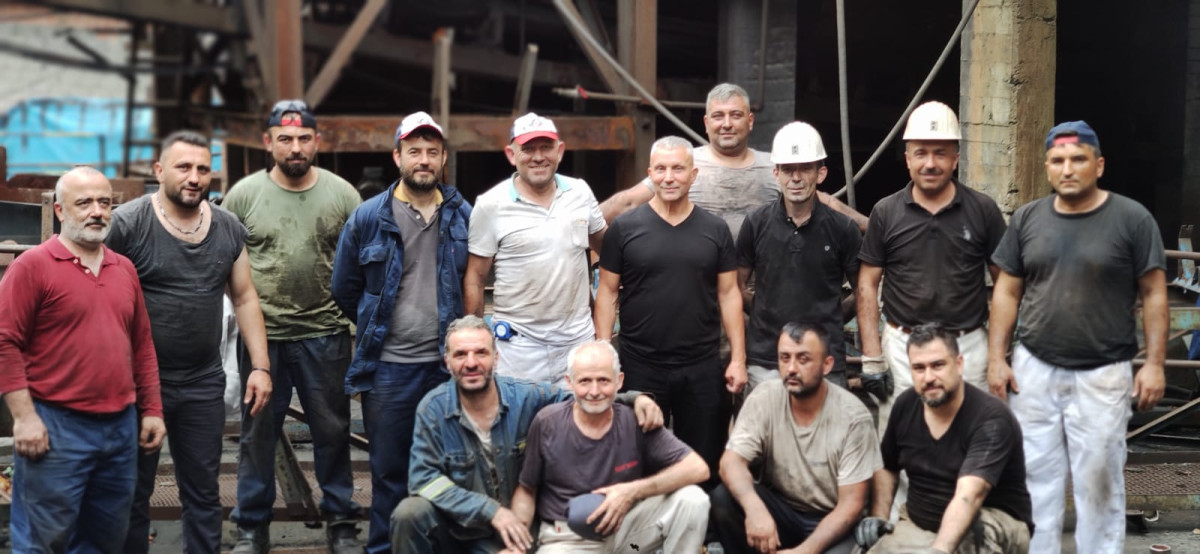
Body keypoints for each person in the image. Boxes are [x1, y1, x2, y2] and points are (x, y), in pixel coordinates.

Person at [987, 121, 1167, 553]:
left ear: (1099, 165)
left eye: (1078, 159)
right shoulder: (1028, 218)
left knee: (1099, 480)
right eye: (1058, 160)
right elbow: (1006, 291)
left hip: (1103, 372)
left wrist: (1155, 364)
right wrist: (997, 358)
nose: (1067, 169)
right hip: (1034, 369)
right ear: (1047, 167)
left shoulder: (1132, 219)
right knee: (1034, 477)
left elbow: (1154, 293)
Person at [109, 131, 273, 554]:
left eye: (203, 168)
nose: (195, 177)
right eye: (183, 167)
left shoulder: (227, 227)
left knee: (203, 494)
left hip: (202, 382)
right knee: (132, 492)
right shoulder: (127, 224)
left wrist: (260, 366)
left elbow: (245, 297)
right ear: (159, 170)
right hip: (139, 385)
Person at [391, 316, 663, 554]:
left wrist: (634, 398)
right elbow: (423, 479)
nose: (471, 362)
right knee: (409, 513)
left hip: (519, 529)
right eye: (461, 354)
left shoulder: (527, 398)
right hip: (457, 531)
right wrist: (490, 511)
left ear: (496, 358)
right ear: (447, 361)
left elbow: (583, 398)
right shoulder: (433, 409)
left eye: (481, 353)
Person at [223, 99, 364, 554]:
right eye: (285, 139)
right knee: (257, 435)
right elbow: (225, 264)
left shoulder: (343, 195)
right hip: (262, 338)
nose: (295, 147)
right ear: (268, 143)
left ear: (317, 141)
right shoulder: (243, 196)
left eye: (304, 138)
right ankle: (252, 527)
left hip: (326, 333)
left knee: (332, 431)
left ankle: (341, 522)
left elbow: (363, 261)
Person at [0, 167, 165, 553]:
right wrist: (24, 418)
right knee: (42, 541)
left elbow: (141, 344)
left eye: (105, 203)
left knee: (105, 540)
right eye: (84, 203)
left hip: (120, 429)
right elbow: (5, 342)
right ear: (60, 210)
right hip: (56, 427)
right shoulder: (33, 266)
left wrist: (152, 410)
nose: (97, 211)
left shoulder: (123, 268)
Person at [331, 112, 472, 554]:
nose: (423, 160)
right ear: (397, 157)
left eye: (432, 152)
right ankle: (384, 549)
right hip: (389, 369)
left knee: (452, 467)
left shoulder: (463, 215)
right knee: (389, 472)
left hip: (448, 367)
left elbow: (478, 275)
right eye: (414, 151)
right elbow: (344, 287)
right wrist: (376, 327)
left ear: (444, 159)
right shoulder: (368, 217)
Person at [595, 136, 747, 485]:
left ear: (694, 175)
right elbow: (607, 291)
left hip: (701, 364)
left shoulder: (715, 229)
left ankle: (702, 520)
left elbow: (729, 294)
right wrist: (604, 351)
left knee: (704, 461)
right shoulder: (625, 228)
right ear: (650, 173)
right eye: (661, 169)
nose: (669, 177)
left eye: (678, 169)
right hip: (641, 364)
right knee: (637, 458)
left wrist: (738, 358)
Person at [856, 100, 1007, 435]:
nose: (930, 163)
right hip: (903, 347)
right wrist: (872, 356)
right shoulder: (886, 212)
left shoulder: (983, 210)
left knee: (974, 438)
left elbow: (1006, 286)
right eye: (921, 153)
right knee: (900, 442)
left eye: (940, 153)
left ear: (955, 158)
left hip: (967, 347)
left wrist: (997, 356)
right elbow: (867, 283)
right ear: (907, 158)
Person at [510, 341, 711, 553]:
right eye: (585, 381)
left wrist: (631, 491)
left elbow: (698, 468)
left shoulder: (635, 420)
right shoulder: (548, 423)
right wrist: (516, 547)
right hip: (568, 539)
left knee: (693, 499)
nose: (594, 391)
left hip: (629, 536)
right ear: (569, 382)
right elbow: (527, 490)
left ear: (619, 381)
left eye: (603, 380)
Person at [599, 82, 867, 235]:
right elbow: (628, 202)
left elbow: (824, 202)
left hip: (760, 293)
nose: (726, 124)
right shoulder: (684, 165)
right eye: (718, 116)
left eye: (735, 115)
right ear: (706, 123)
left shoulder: (774, 166)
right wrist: (584, 224)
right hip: (698, 291)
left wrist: (875, 229)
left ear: (750, 121)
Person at [855, 324, 1031, 553]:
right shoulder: (905, 405)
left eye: (938, 365)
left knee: (970, 532)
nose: (929, 377)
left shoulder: (991, 418)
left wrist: (939, 550)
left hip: (990, 523)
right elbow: (888, 467)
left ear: (959, 364)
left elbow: (970, 495)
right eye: (919, 368)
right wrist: (879, 518)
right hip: (921, 524)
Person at [463, 112, 607, 386]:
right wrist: (476, 339)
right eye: (528, 149)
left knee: (580, 413)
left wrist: (603, 316)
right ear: (511, 154)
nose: (538, 157)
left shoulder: (580, 192)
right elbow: (475, 278)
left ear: (560, 151)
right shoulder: (490, 204)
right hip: (518, 347)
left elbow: (607, 249)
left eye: (546, 148)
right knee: (519, 413)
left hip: (577, 342)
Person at [711, 322, 880, 554]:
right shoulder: (765, 396)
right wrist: (755, 510)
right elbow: (730, 463)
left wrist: (803, 552)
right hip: (783, 512)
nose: (791, 368)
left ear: (827, 365)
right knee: (723, 498)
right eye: (784, 358)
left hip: (832, 520)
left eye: (803, 359)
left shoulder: (853, 417)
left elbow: (851, 506)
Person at [736, 122, 861, 390]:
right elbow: (734, 287)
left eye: (805, 168)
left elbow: (864, 291)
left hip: (826, 361)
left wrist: (832, 317)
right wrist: (762, 312)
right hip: (766, 361)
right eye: (788, 169)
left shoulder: (843, 229)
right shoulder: (756, 224)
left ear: (821, 173)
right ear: (776, 174)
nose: (796, 178)